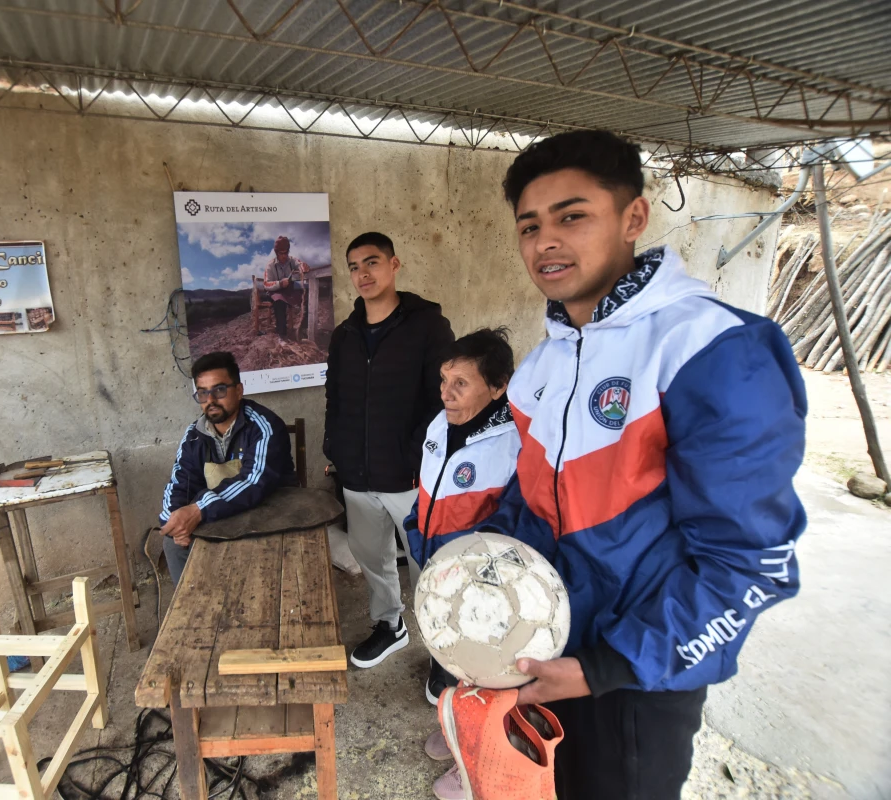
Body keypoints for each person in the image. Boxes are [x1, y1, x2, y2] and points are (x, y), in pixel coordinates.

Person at [454, 130, 807, 800]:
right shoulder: (545, 363)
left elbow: (751, 563)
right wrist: (479, 587)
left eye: (572, 216)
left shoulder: (710, 349)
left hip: (636, 678)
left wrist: (602, 665)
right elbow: (529, 505)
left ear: (633, 218)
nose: (545, 242)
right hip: (546, 649)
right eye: (530, 225)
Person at [401, 327, 523, 797]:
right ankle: (459, 737)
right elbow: (427, 493)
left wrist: (477, 577)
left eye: (461, 384)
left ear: (498, 387)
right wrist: (416, 534)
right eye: (443, 380)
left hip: (482, 587)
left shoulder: (515, 443)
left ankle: (478, 766)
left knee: (487, 675)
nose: (446, 394)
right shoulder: (440, 425)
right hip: (440, 571)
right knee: (451, 661)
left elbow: (516, 523)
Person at [324, 231, 455, 669]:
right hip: (358, 474)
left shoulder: (427, 326)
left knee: (426, 561)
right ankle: (390, 626)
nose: (363, 273)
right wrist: (335, 451)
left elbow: (443, 399)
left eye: (372, 262)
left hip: (409, 475)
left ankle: (441, 644)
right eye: (355, 266)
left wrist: (420, 458)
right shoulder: (345, 334)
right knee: (371, 557)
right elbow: (335, 397)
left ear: (394, 265)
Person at [159, 351, 297, 585]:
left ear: (239, 390)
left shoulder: (264, 426)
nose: (210, 400)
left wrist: (198, 509)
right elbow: (179, 482)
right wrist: (172, 521)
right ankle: (196, 611)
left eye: (219, 390)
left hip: (271, 513)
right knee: (172, 543)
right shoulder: (194, 435)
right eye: (203, 393)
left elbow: (253, 483)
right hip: (223, 512)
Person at [263, 235, 311, 340]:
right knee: (279, 302)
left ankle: (303, 328)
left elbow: (299, 264)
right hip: (275, 291)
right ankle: (282, 334)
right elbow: (266, 284)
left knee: (306, 298)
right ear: (276, 253)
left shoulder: (292, 260)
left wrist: (303, 266)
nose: (284, 256)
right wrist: (280, 284)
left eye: (286, 252)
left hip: (289, 290)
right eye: (281, 253)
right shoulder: (270, 265)